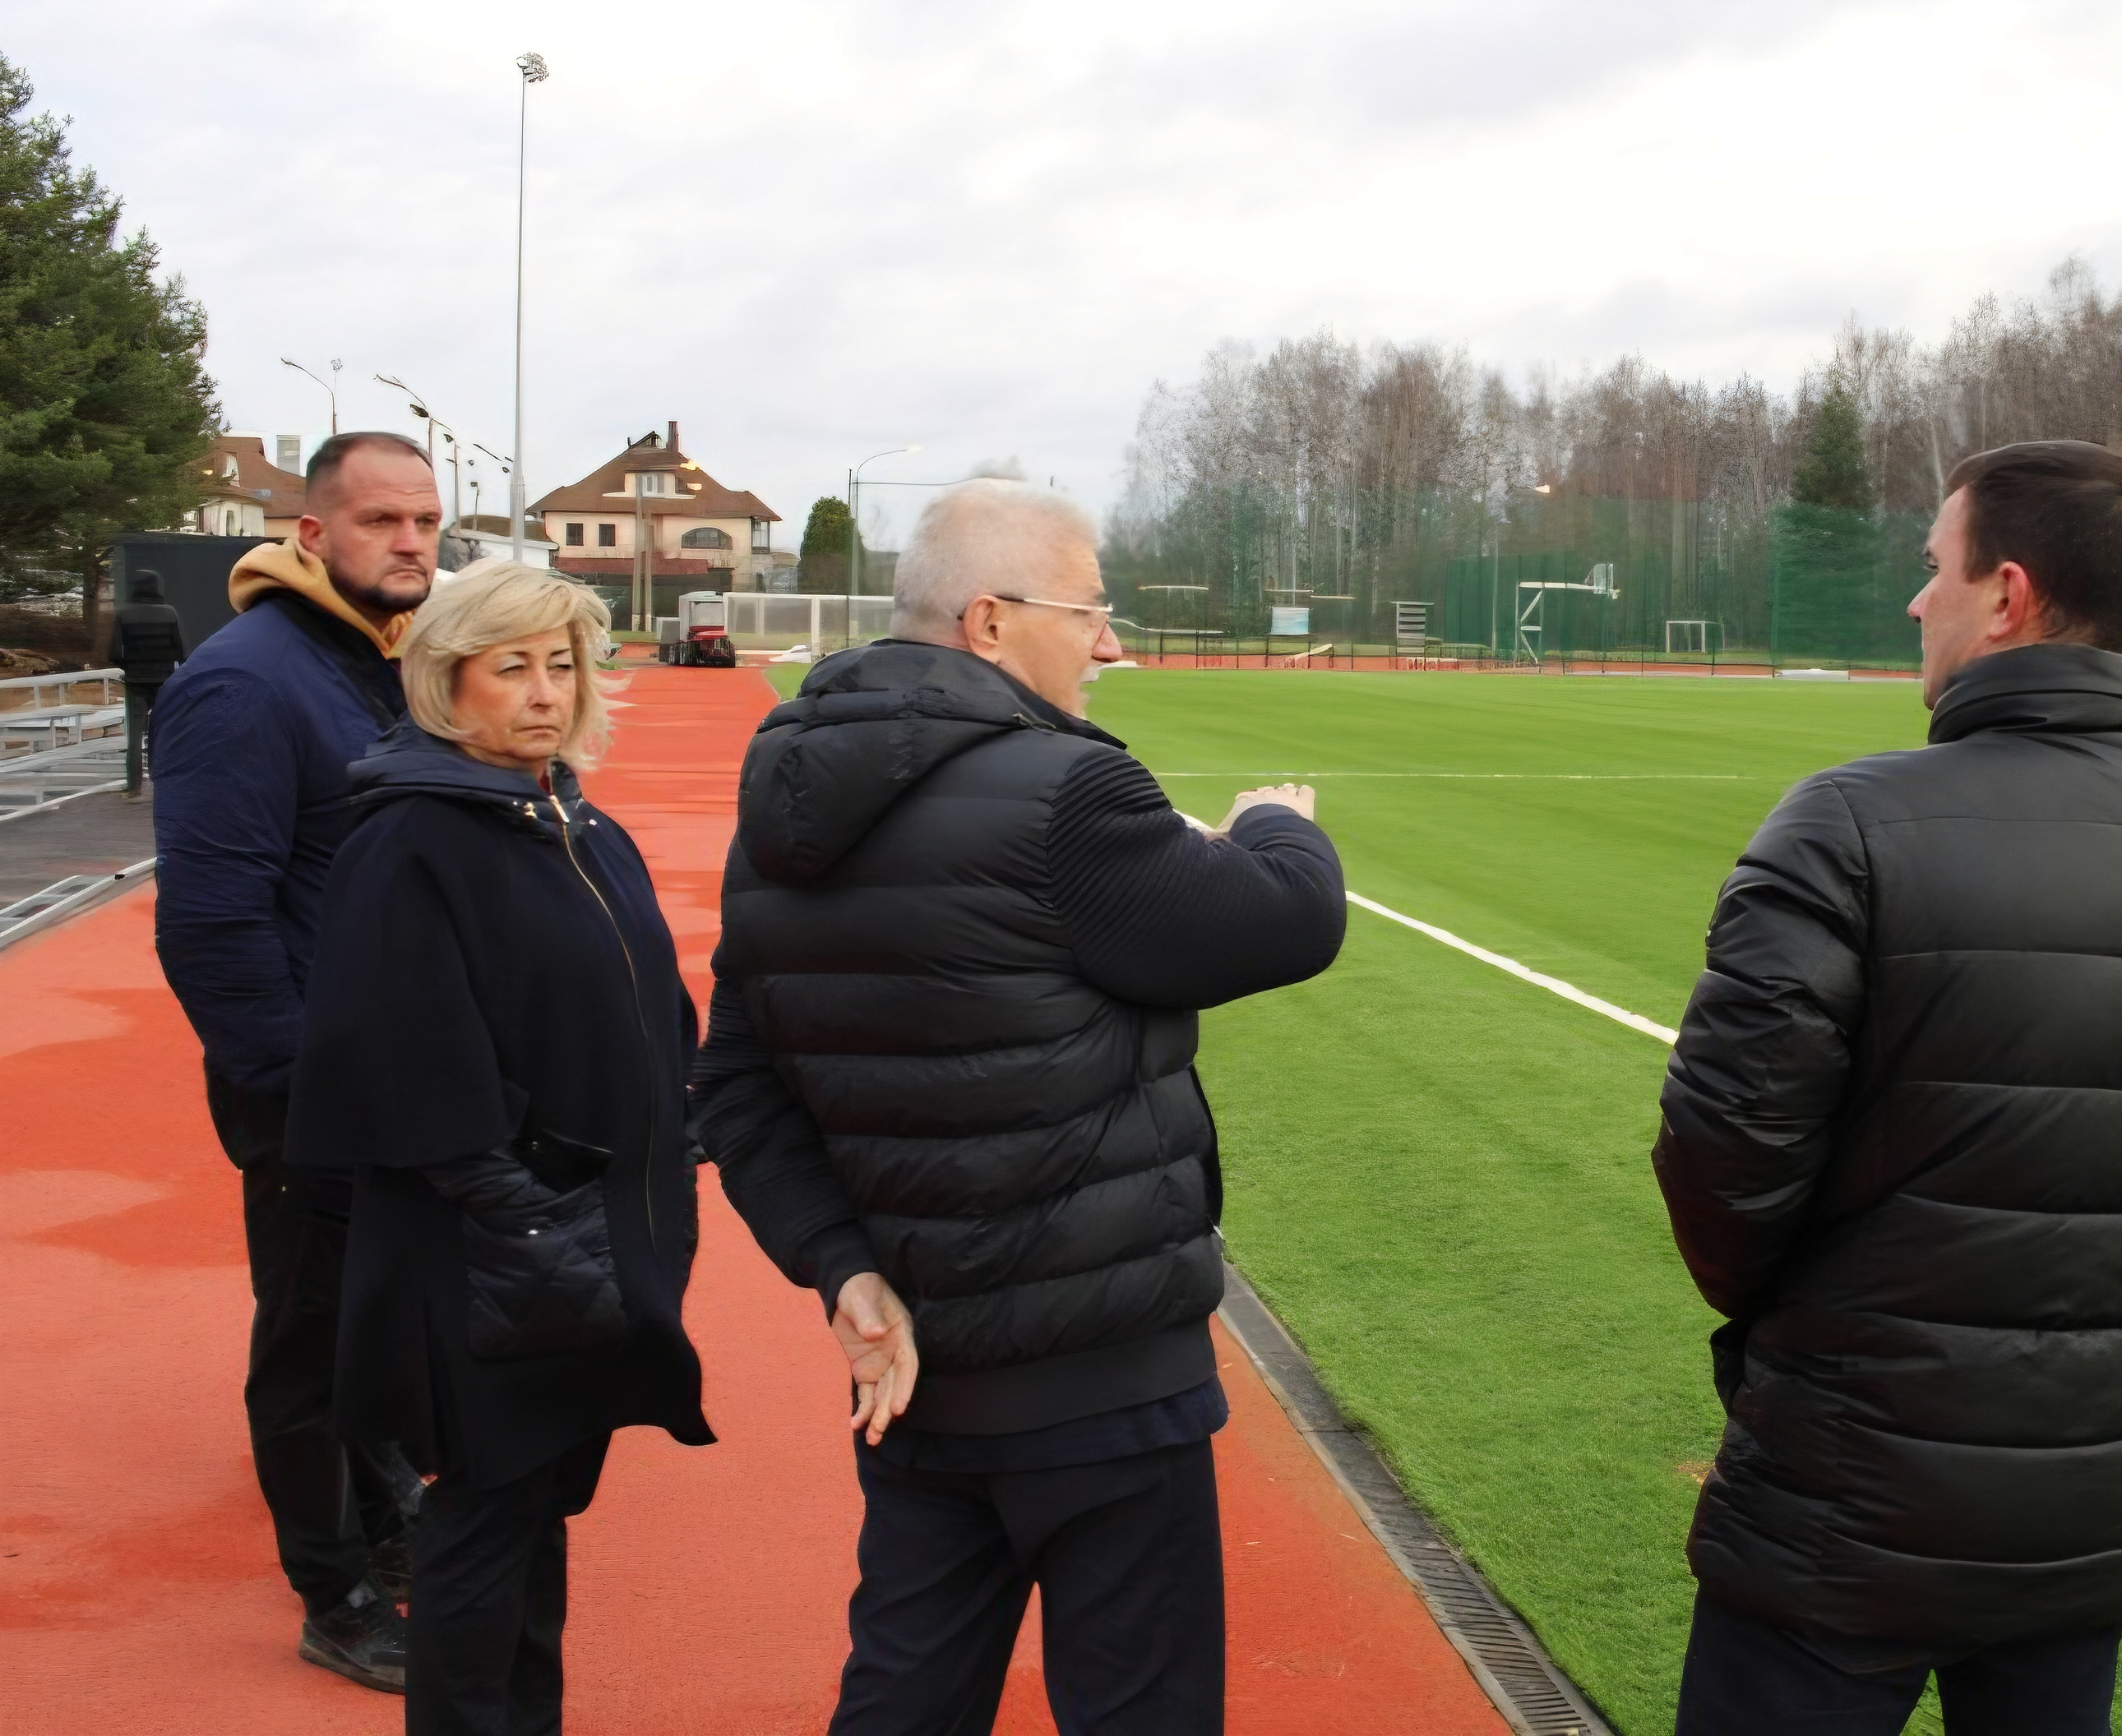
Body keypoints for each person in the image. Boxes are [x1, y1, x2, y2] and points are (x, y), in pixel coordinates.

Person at [1654, 441, 2122, 1734]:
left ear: (2008, 594)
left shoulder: (1842, 824)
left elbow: (1726, 1153)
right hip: (2092, 1486)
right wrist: (2088, 1280)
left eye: (1933, 569)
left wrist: (1819, 1310)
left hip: (1844, 1478)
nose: (1917, 600)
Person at [693, 479, 1348, 1734]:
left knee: (906, 1693)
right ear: (989, 622)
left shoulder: (783, 790)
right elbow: (1288, 921)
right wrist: (1277, 828)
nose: (1112, 644)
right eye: (1090, 610)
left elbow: (738, 1080)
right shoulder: (1064, 793)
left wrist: (842, 1265)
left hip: (918, 1364)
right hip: (1100, 1374)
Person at [285, 561, 714, 1735]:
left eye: (561, 665)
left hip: (581, 1228)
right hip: (487, 1249)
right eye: (510, 666)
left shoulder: (571, 818)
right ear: (444, 680)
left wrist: (686, 1114)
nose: (543, 692)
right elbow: (397, 1050)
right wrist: (518, 1208)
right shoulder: (413, 837)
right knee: (483, 1520)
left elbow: (645, 1006)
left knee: (530, 1516)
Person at [149, 430, 441, 1689]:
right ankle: (335, 1594)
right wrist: (292, 1088)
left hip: (394, 1076)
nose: (414, 542)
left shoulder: (377, 661)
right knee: (315, 1335)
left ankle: (384, 1509)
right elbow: (211, 924)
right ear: (311, 536)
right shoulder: (247, 682)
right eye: (383, 522)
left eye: (428, 520)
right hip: (309, 1085)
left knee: (384, 1316)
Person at [111, 566, 187, 793]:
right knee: (163, 732)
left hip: (136, 683)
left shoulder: (123, 614)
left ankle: (134, 786)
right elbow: (183, 651)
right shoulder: (170, 613)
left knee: (134, 738)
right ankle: (161, 780)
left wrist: (130, 666)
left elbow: (113, 653)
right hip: (164, 682)